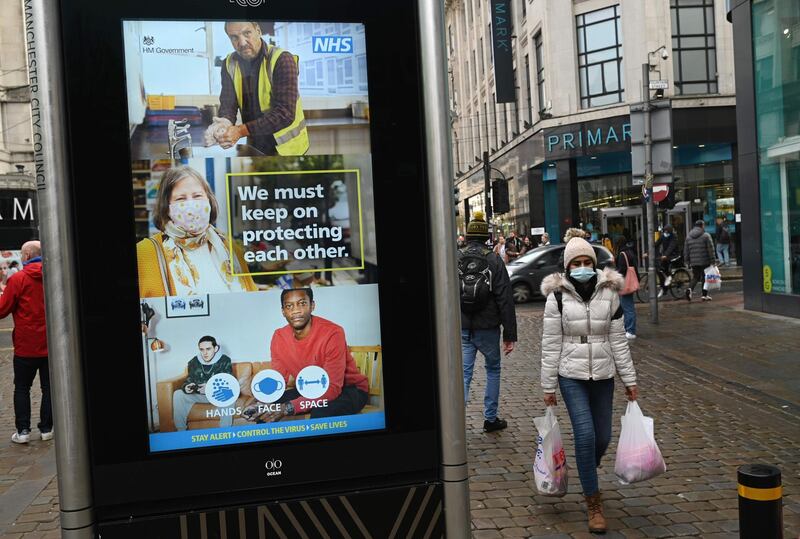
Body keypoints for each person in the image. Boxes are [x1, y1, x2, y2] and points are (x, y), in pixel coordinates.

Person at [540, 236, 638, 533]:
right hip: (571, 375)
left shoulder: (610, 293)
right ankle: (593, 502)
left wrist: (629, 380)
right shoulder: (556, 297)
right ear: (568, 267)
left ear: (594, 265)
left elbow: (619, 340)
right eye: (576, 263)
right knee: (584, 434)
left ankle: (586, 466)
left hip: (603, 375)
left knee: (603, 437)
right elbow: (550, 343)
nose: (582, 267)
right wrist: (548, 385)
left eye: (587, 263)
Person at [243, 288, 369, 422]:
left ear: (312, 306)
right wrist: (261, 403)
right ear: (283, 311)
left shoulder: (333, 333)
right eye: (289, 306)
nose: (296, 310)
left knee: (321, 411)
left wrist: (288, 407)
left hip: (349, 389)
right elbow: (278, 381)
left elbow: (333, 388)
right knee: (266, 411)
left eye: (302, 303)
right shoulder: (279, 337)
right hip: (310, 388)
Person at [136, 165, 257, 298]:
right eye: (180, 199)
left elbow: (251, 298)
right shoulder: (145, 252)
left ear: (209, 201)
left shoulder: (229, 246)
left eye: (197, 196)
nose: (191, 205)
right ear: (167, 208)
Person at [205, 21, 309, 156]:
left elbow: (285, 114)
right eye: (234, 37)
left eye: (247, 33)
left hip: (287, 149)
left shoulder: (282, 59)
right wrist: (223, 124)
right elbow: (228, 104)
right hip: (255, 144)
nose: (242, 43)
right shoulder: (229, 63)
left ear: (258, 31)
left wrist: (240, 131)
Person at [459, 212, 517, 432]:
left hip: (464, 326)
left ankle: (457, 423)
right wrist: (509, 334)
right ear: (486, 237)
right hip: (488, 327)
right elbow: (505, 298)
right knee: (493, 370)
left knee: (464, 374)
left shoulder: (457, 257)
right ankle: (490, 419)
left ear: (467, 235)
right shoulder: (493, 260)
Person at [0, 241, 52, 444]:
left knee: (22, 388)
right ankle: (47, 429)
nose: (21, 257)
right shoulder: (52, 277)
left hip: (25, 346)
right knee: (48, 388)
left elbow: (3, 310)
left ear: (28, 255)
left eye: (22, 254)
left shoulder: (19, 279)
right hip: (50, 345)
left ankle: (23, 431)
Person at [172, 336, 237, 430]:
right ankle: (181, 431)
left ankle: (225, 431)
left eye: (208, 349)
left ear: (216, 348)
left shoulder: (224, 360)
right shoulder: (194, 361)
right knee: (178, 394)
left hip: (217, 395)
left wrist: (210, 388)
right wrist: (186, 387)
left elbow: (229, 382)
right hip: (200, 395)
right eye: (201, 349)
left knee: (229, 396)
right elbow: (189, 379)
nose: (205, 353)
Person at [684, 219, 716, 302]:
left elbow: (686, 250)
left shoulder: (688, 236)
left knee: (695, 277)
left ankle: (689, 289)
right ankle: (704, 295)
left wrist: (687, 261)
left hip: (694, 261)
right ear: (702, 226)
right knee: (705, 277)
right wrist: (713, 260)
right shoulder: (706, 235)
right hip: (705, 260)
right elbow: (711, 249)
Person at [615, 236, 638, 339]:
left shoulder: (622, 254)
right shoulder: (630, 252)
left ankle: (630, 330)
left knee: (627, 307)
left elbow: (622, 270)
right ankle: (628, 328)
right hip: (630, 282)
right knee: (628, 307)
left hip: (625, 283)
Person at [655, 224, 679, 298]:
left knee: (666, 265)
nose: (666, 233)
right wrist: (648, 252)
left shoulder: (674, 237)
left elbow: (671, 246)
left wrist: (666, 255)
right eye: (665, 231)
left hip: (674, 255)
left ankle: (669, 276)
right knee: (659, 270)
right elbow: (656, 244)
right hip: (665, 255)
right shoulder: (663, 236)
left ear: (670, 232)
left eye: (667, 232)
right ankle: (663, 288)